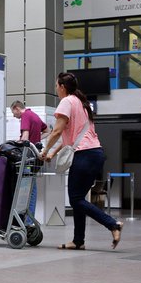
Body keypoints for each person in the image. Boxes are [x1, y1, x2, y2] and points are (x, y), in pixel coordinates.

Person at [41, 72, 123, 250]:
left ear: (62, 87)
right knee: (79, 198)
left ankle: (113, 224)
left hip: (85, 154)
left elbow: (56, 132)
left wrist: (45, 150)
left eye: (56, 85)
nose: (56, 89)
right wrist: (53, 154)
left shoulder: (67, 101)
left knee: (76, 199)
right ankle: (78, 240)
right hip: (95, 153)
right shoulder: (82, 103)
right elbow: (69, 138)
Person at [10, 100, 51, 221]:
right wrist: (36, 141)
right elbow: (48, 131)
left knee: (27, 190)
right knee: (31, 187)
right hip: (34, 157)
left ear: (17, 108)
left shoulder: (25, 116)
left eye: (14, 113)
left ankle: (28, 220)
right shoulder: (34, 115)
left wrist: (18, 143)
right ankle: (27, 219)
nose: (14, 116)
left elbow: (25, 137)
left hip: (27, 158)